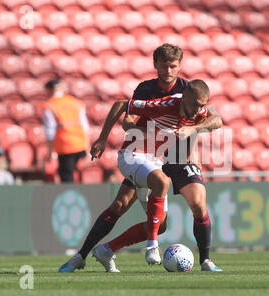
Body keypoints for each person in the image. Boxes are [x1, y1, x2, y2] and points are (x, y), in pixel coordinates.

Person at [59, 44, 222, 273]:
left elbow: (208, 118)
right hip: (141, 151)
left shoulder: (190, 90)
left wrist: (192, 144)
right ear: (155, 65)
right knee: (120, 204)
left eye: (172, 65)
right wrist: (116, 131)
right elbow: (129, 116)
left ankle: (107, 250)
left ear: (179, 67)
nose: (168, 70)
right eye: (163, 65)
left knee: (167, 220)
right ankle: (85, 255)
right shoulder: (149, 91)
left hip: (170, 156)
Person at [42, 78, 90, 183]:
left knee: (66, 176)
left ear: (49, 90)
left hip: (65, 146)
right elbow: (85, 126)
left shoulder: (49, 105)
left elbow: (50, 131)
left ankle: (72, 198)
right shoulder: (75, 102)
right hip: (80, 144)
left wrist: (50, 152)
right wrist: (87, 148)